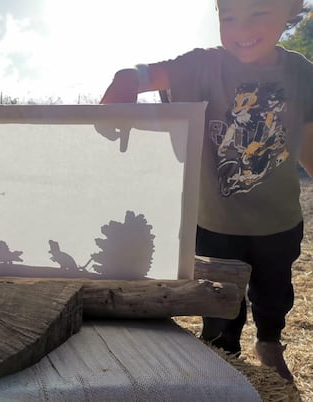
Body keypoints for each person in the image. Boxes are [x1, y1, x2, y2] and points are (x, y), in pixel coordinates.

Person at [100, 0, 313, 383]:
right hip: (215, 222)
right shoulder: (202, 64)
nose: (241, 29)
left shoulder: (300, 73)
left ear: (289, 11)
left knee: (274, 295)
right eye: (228, 17)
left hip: (279, 222)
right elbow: (146, 73)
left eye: (257, 14)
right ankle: (221, 356)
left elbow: (309, 142)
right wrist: (126, 79)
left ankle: (269, 343)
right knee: (218, 303)